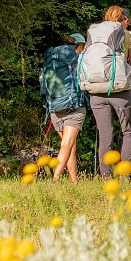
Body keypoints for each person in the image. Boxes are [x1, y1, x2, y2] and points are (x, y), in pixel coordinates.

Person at [90, 6, 131, 176]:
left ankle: (106, 177)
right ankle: (124, 175)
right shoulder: (128, 35)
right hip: (121, 91)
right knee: (127, 132)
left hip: (96, 90)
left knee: (105, 135)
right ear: (124, 19)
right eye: (128, 20)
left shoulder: (96, 34)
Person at [46, 32, 88, 182]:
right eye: (83, 47)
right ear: (79, 46)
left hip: (55, 108)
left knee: (70, 145)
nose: (83, 50)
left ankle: (74, 181)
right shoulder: (78, 60)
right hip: (73, 107)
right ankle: (55, 179)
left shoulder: (54, 56)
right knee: (67, 144)